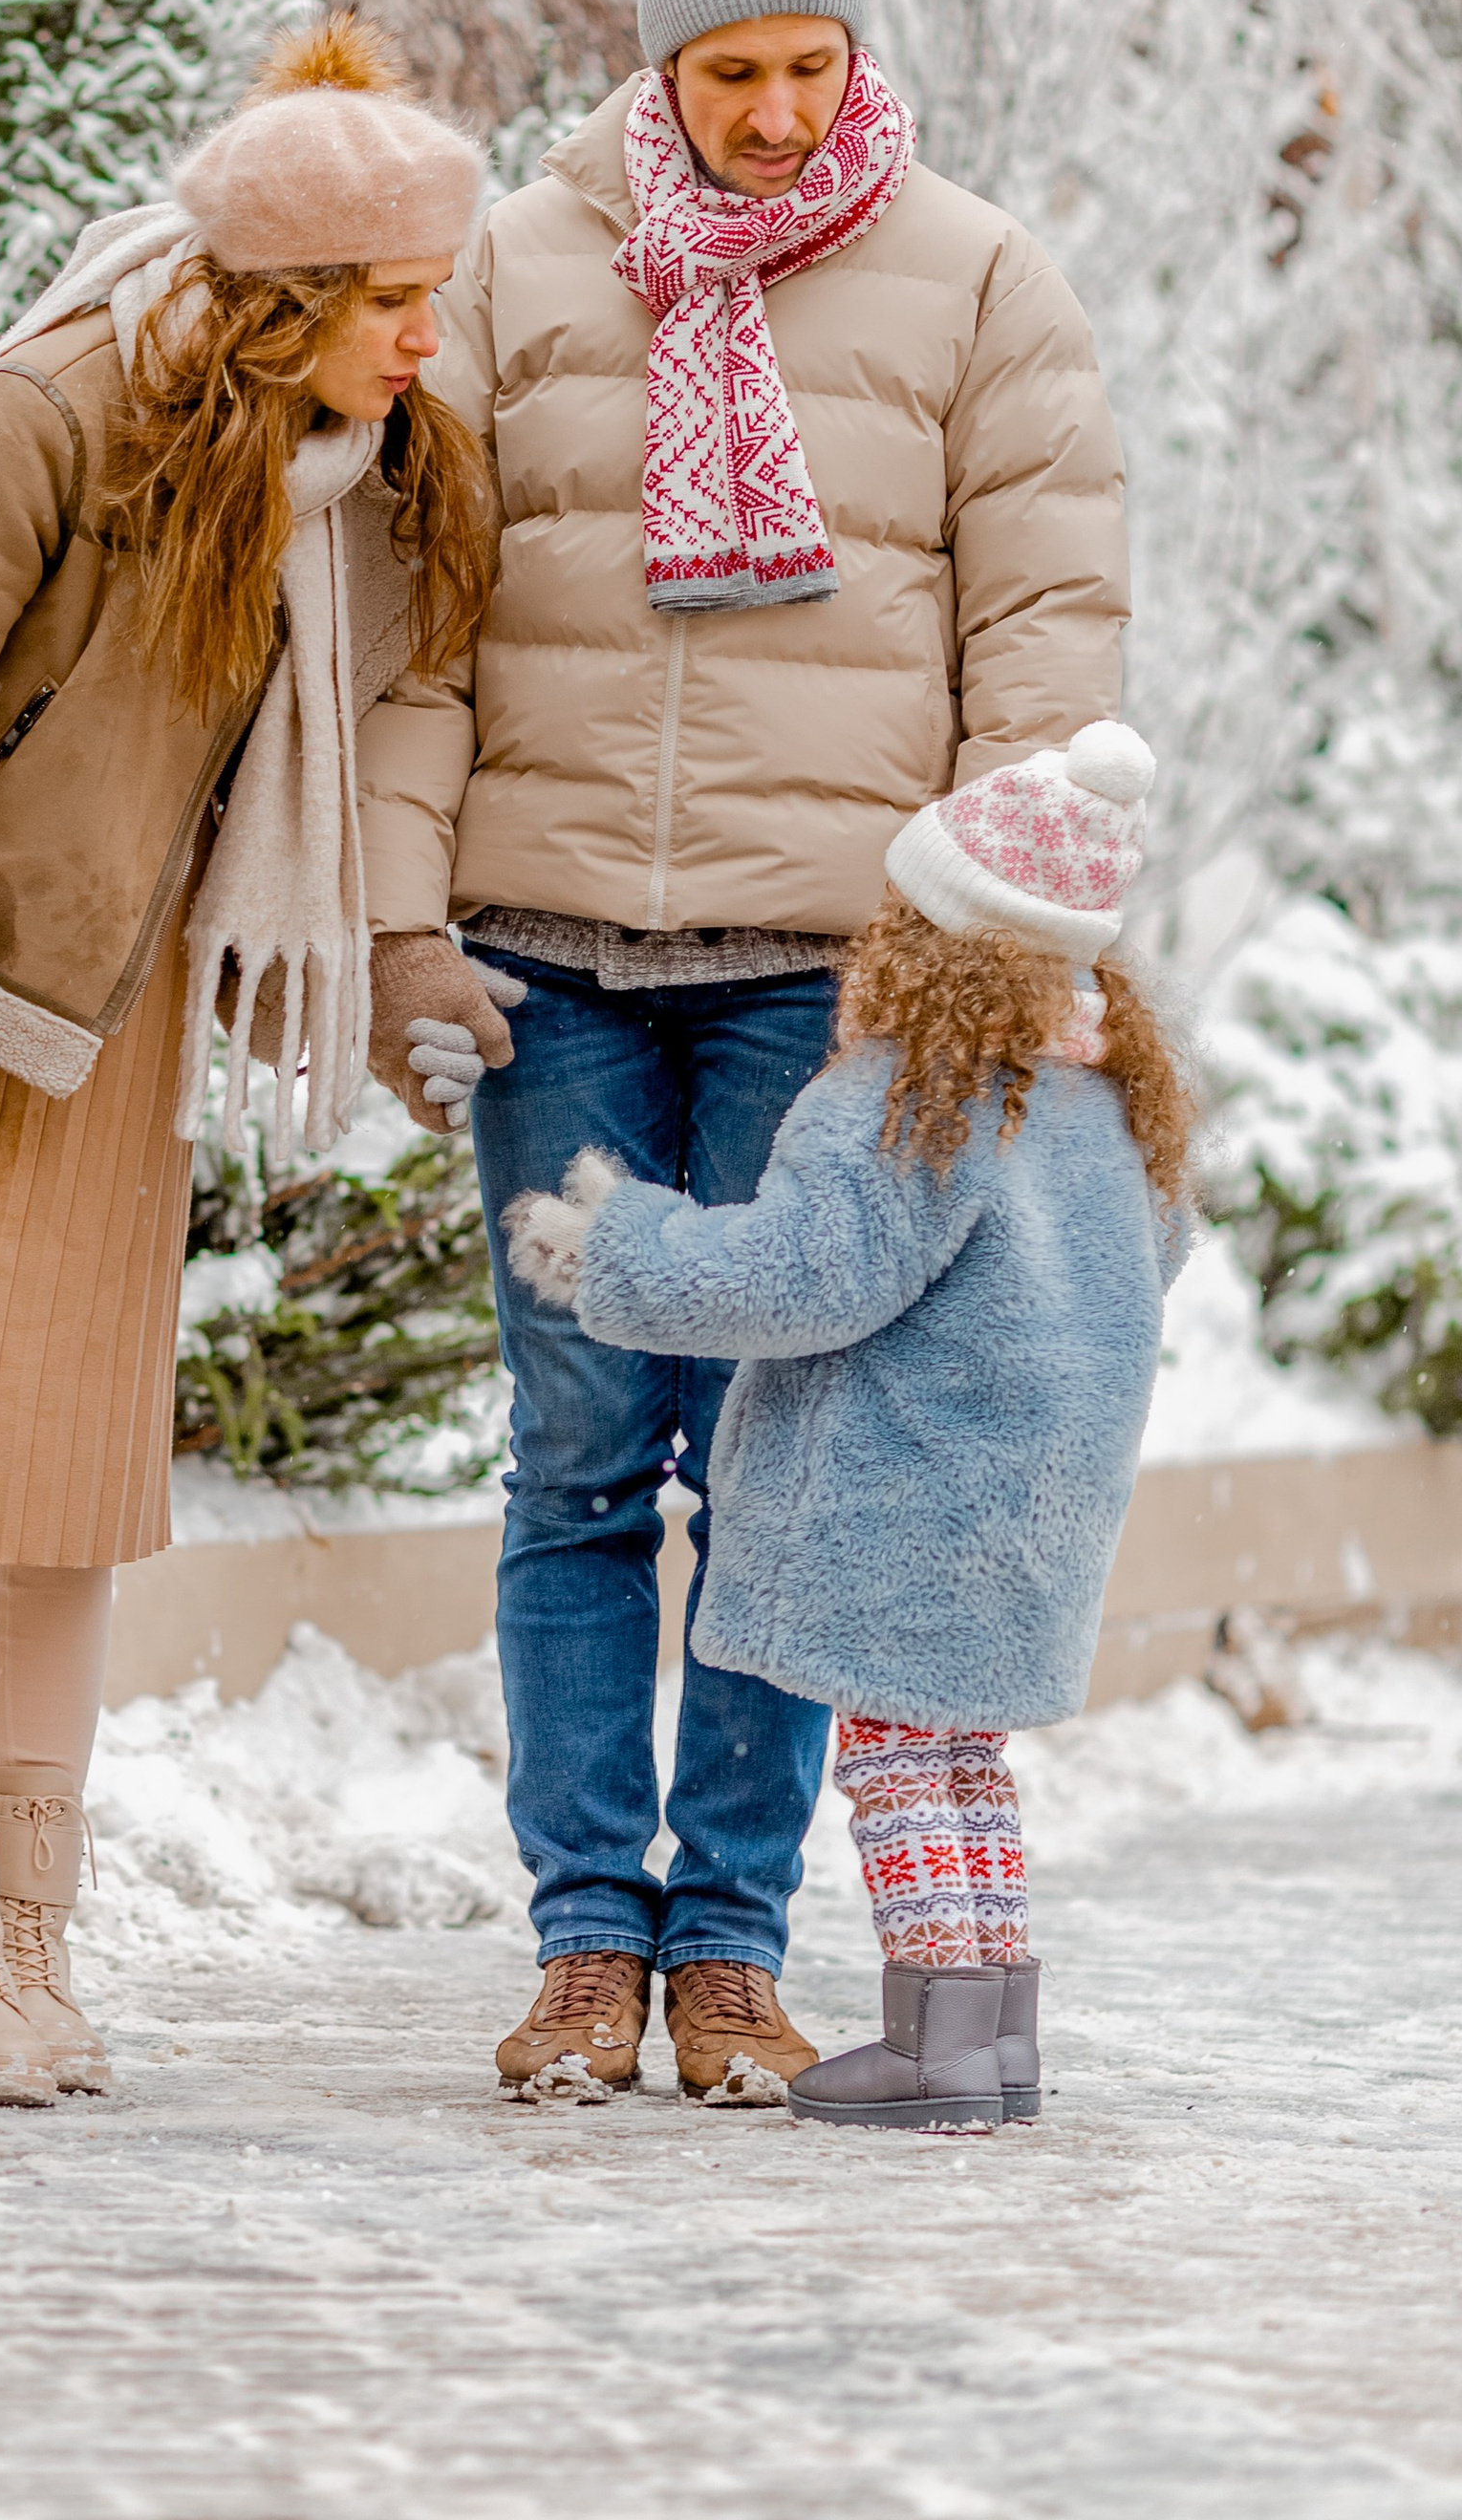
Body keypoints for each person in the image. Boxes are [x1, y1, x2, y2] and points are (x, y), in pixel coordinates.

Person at [357, 0, 1129, 2104]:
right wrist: (406, 915)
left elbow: (1043, 648)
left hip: (835, 972)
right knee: (585, 1455)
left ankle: (730, 1945)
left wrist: (999, 949)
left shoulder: (976, 278)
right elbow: (428, 629)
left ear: (851, 56)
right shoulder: (518, 264)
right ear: (659, 68)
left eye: (806, 65)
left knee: (793, 1472)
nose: (775, 112)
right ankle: (584, 1939)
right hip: (551, 953)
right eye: (731, 73)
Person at [0, 16, 488, 2106]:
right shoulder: (39, 418)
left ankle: (31, 1945)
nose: (431, 337)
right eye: (395, 300)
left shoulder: (321, 475)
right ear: (282, 303)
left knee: (62, 1509)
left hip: (118, 1035)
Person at [504, 722, 1193, 2129]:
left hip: (899, 1495)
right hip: (1028, 1500)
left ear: (933, 938)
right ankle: (993, 2036)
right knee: (963, 1765)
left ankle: (931, 2047)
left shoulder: (912, 1095)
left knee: (895, 1768)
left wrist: (616, 1246)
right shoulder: (1102, 1099)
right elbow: (1148, 1263)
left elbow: (805, 1273)